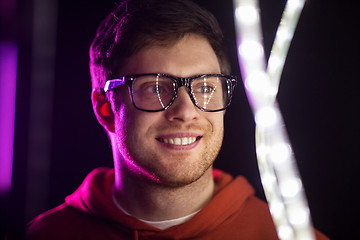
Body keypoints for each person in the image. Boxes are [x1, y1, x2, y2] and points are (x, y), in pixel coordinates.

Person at [26, 0, 328, 239]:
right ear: (106, 109)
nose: (185, 111)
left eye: (205, 87)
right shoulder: (45, 235)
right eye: (155, 88)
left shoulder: (288, 236)